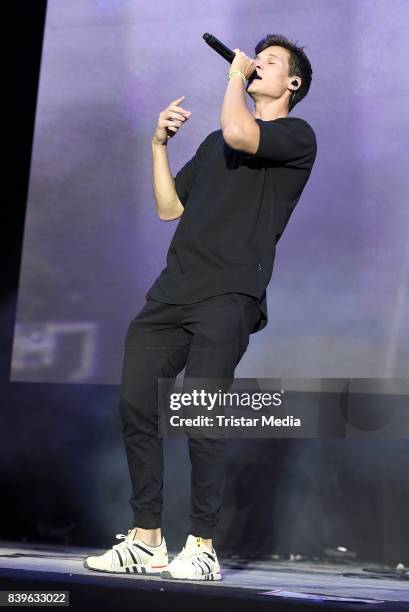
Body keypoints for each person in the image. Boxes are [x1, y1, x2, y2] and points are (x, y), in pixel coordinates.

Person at [84, 33, 317, 581]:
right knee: (137, 401)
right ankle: (146, 540)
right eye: (256, 58)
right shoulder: (215, 143)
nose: (259, 64)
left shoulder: (295, 136)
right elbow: (170, 208)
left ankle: (203, 545)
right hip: (174, 292)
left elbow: (242, 130)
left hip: (229, 293)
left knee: (201, 409)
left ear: (293, 83)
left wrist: (235, 76)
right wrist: (158, 145)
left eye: (272, 62)